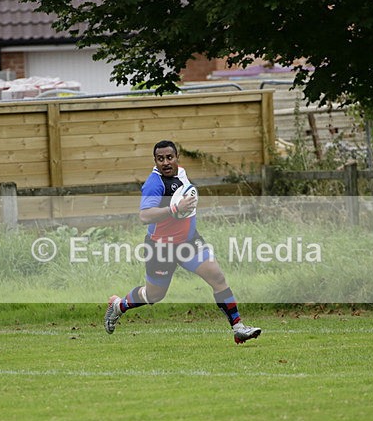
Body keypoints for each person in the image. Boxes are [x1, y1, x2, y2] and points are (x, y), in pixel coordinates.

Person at [104, 140, 261, 344]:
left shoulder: (181, 173)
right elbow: (145, 215)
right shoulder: (154, 183)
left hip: (188, 243)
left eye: (170, 157)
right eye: (160, 159)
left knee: (217, 277)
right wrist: (175, 209)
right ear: (155, 162)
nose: (166, 162)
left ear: (177, 157)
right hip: (161, 248)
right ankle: (118, 305)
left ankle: (239, 328)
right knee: (154, 295)